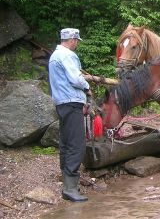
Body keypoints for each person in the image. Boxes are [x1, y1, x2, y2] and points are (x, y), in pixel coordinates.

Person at [48, 28, 92, 202]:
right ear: (72, 39)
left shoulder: (54, 56)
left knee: (65, 142)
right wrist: (87, 88)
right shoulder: (67, 55)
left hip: (61, 102)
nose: (77, 44)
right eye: (77, 40)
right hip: (72, 102)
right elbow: (75, 78)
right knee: (76, 144)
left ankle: (67, 181)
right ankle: (70, 188)